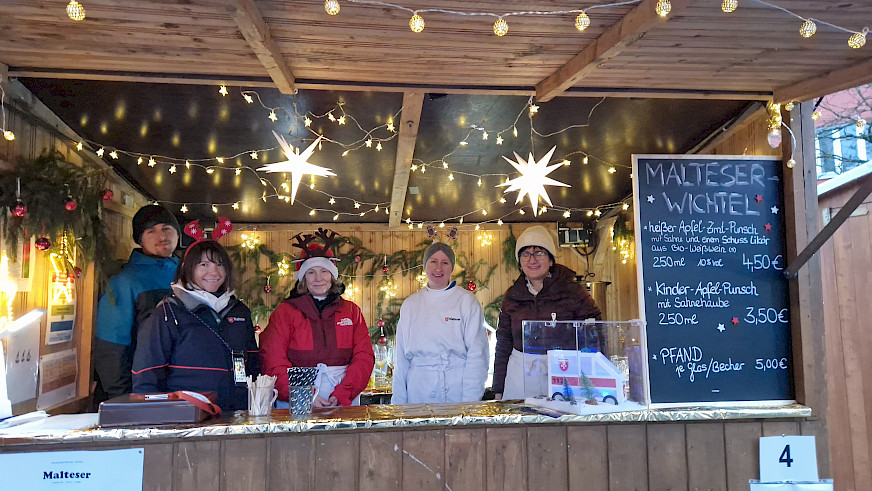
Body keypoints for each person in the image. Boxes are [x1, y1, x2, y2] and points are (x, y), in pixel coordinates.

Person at [131, 240, 260, 411]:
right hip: (185, 416)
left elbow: (253, 365)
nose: (214, 272)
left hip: (237, 414)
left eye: (220, 265)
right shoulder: (167, 313)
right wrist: (152, 416)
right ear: (187, 268)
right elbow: (146, 375)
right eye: (204, 264)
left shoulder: (239, 311)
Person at [259, 228, 374, 408]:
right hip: (296, 399)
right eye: (311, 272)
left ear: (332, 275)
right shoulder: (285, 312)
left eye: (324, 271)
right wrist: (304, 393)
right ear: (303, 278)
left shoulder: (351, 311)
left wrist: (345, 392)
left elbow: (364, 357)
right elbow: (273, 359)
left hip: (342, 398)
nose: (318, 278)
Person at [493, 225, 601, 400]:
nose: (532, 259)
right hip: (519, 377)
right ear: (519, 261)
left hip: (564, 373)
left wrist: (593, 382)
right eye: (526, 254)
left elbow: (593, 335)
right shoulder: (513, 295)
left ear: (551, 260)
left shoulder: (573, 292)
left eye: (539, 253)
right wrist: (498, 389)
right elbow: (504, 342)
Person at [93, 204, 180, 402]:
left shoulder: (191, 274)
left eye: (166, 228)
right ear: (140, 240)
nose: (162, 236)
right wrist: (123, 398)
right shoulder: (125, 282)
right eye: (151, 231)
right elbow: (112, 347)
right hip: (142, 389)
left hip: (185, 388)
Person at [391, 242, 489, 404]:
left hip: (456, 389)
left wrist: (469, 402)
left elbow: (477, 355)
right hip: (418, 389)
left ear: (452, 268)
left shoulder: (466, 302)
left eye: (445, 263)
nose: (438, 268)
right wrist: (399, 403)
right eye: (433, 262)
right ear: (425, 266)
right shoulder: (410, 305)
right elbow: (401, 360)